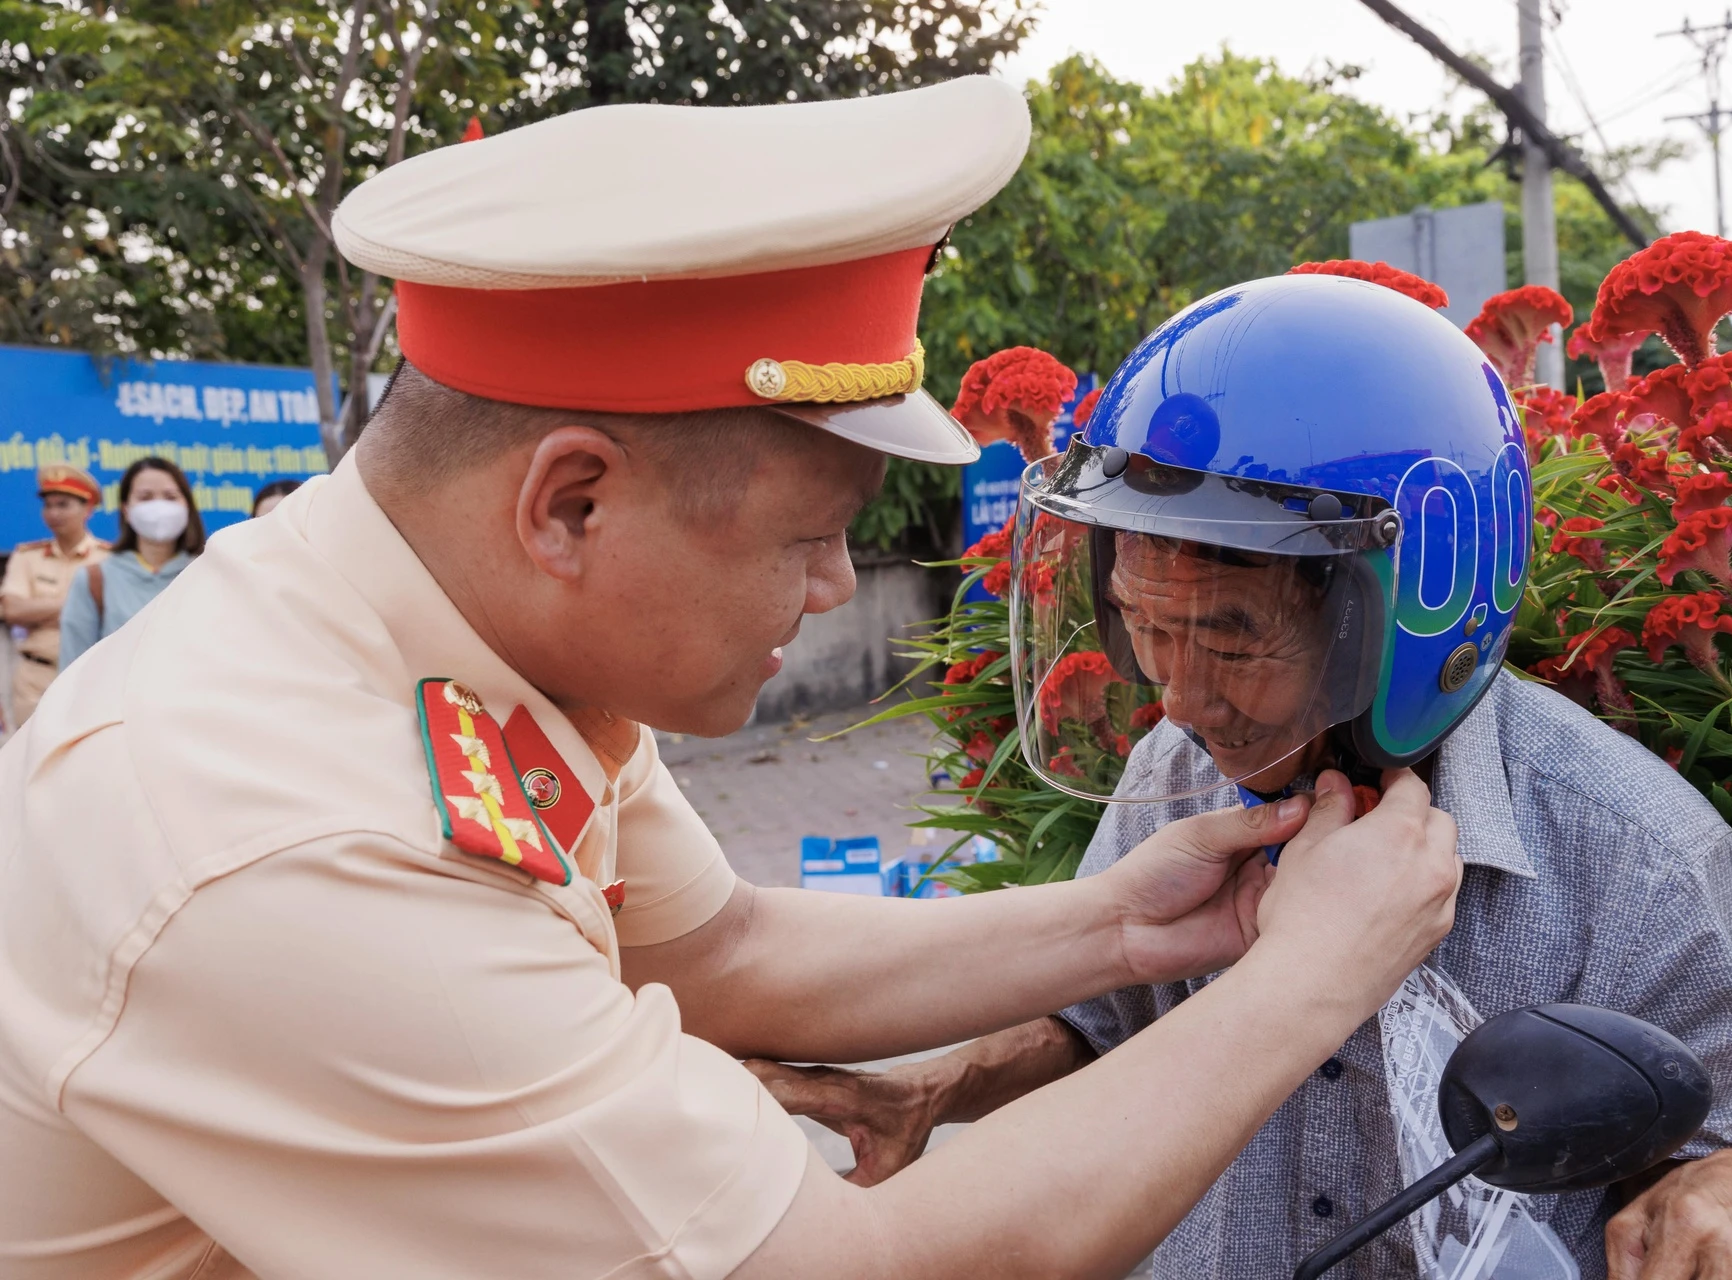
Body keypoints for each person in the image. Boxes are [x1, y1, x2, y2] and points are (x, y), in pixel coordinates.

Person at [0, 78, 1464, 1279]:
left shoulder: (456, 638)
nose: (838, 589)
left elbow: (725, 956)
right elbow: (852, 1266)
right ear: (570, 505)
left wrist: (1124, 927)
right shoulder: (292, 844)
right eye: (811, 538)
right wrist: (1308, 978)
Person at [754, 274, 1732, 1279]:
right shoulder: (1185, 761)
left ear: (1414, 606)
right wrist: (937, 1085)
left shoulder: (1637, 852)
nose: (1177, 695)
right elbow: (1103, 1022)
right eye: (1146, 627)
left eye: (1230, 635)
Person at [57, 455, 203, 669]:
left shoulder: (207, 574)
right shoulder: (95, 579)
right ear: (126, 510)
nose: (159, 507)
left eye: (170, 497)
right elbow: (73, 670)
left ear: (187, 506)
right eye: (145, 497)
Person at [0, 465, 110, 725]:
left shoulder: (110, 559)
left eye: (63, 505)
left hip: (90, 675)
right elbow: (13, 611)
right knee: (29, 761)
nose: (54, 513)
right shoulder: (27, 556)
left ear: (88, 509)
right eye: (48, 505)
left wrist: (39, 611)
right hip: (34, 679)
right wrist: (80, 603)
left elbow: (112, 616)